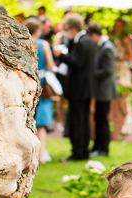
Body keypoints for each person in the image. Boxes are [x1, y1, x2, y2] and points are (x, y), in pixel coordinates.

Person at [56, 12, 95, 161]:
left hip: (79, 89)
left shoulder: (82, 42)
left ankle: (78, 151)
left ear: (72, 27)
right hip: (84, 88)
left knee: (77, 121)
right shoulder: (86, 41)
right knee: (82, 120)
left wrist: (61, 56)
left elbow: (77, 62)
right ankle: (82, 150)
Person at [24, 17, 55, 163]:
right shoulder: (43, 45)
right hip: (41, 82)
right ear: (38, 30)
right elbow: (50, 65)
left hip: (26, 82)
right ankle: (40, 156)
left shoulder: (23, 43)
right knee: (41, 122)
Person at [87, 22, 118, 157]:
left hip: (105, 90)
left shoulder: (107, 48)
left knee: (103, 119)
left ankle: (103, 148)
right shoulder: (102, 46)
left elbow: (108, 70)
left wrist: (91, 73)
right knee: (99, 118)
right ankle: (97, 146)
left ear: (94, 35)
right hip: (101, 90)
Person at [110, 17, 132, 137]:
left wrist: (121, 57)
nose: (117, 28)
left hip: (123, 70)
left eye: (119, 26)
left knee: (125, 97)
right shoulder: (113, 39)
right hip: (115, 69)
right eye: (116, 26)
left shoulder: (126, 40)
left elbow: (130, 55)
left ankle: (127, 123)